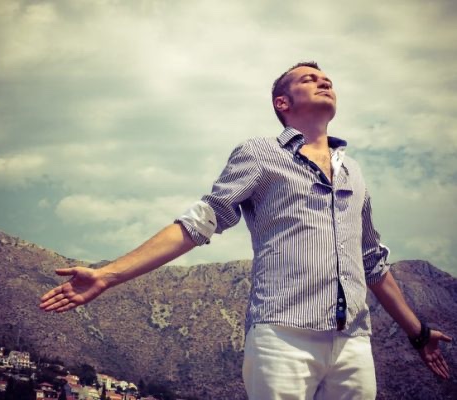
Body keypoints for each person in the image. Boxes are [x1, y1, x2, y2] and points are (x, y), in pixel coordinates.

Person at [40, 61, 452, 399]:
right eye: (309, 79)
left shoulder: (354, 172)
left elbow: (372, 262)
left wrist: (417, 334)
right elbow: (201, 221)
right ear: (282, 102)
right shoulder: (260, 154)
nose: (324, 81)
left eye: (327, 79)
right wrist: (108, 275)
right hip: (283, 336)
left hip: (353, 343)